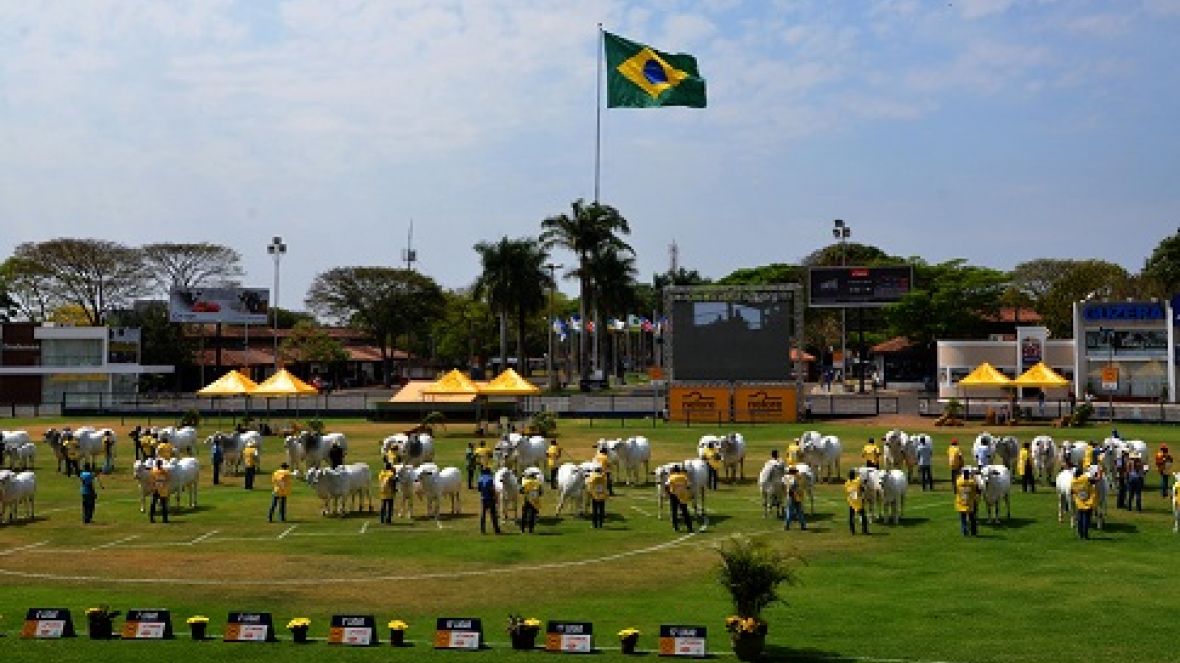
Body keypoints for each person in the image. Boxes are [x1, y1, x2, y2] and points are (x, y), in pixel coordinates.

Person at [665, 464, 693, 533]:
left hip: (674, 495)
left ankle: (676, 527)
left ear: (673, 471)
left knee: (674, 512)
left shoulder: (671, 477)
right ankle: (689, 527)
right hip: (682, 495)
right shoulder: (684, 477)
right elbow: (688, 486)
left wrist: (668, 493)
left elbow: (666, 485)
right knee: (685, 512)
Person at [1071, 467, 1094, 540]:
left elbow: (1072, 491)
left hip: (1079, 502)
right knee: (1086, 519)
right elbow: (1096, 480)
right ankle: (1085, 535)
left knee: (1080, 519)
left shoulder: (1073, 481)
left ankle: (1080, 534)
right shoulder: (1085, 479)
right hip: (1087, 502)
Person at [955, 468, 978, 537]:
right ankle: (973, 531)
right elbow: (977, 490)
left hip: (961, 502)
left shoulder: (959, 482)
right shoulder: (972, 483)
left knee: (963, 519)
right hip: (970, 503)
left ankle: (964, 531)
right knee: (972, 518)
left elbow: (956, 490)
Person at [477, 467, 500, 534]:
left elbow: (479, 489)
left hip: (483, 498)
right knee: (493, 514)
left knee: (483, 515)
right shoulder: (490, 479)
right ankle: (496, 529)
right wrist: (495, 498)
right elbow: (492, 489)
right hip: (490, 499)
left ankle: (482, 530)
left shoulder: (480, 479)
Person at [519, 469, 543, 534]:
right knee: (532, 515)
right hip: (535, 502)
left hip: (527, 500)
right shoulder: (538, 484)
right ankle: (530, 530)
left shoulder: (526, 483)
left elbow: (521, 491)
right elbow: (541, 493)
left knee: (524, 515)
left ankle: (522, 529)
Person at [845, 470, 868, 535]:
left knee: (851, 516)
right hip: (858, 501)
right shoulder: (857, 481)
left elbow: (847, 491)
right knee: (863, 515)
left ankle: (852, 531)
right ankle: (864, 530)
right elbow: (862, 488)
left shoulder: (847, 483)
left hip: (851, 501)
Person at [149, 459, 170, 523]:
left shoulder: (156, 471)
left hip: (159, 489)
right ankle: (163, 519)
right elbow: (167, 479)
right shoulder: (163, 471)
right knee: (160, 504)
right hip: (159, 489)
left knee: (157, 504)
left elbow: (167, 479)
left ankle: (156, 518)